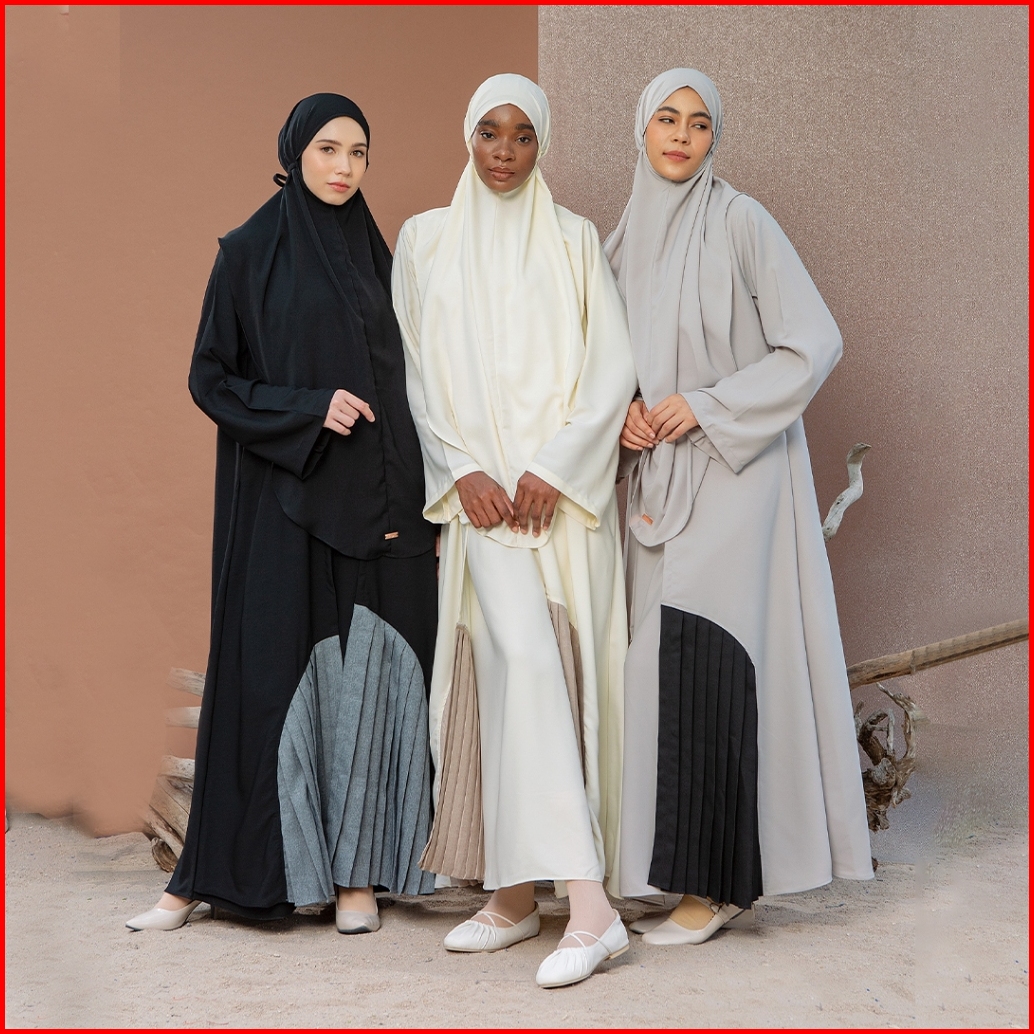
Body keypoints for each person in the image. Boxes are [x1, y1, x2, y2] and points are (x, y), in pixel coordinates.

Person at [126, 94, 438, 935]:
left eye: (359, 152)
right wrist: (307, 408)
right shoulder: (248, 252)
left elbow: (407, 381)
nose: (344, 166)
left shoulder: (376, 255)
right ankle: (207, 878)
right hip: (284, 502)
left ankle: (357, 877)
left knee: (363, 685)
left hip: (374, 508)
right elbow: (211, 378)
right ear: (295, 150)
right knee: (269, 683)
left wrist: (417, 503)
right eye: (329, 148)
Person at [605, 69, 873, 947]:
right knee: (657, 669)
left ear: (714, 138)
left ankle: (715, 884)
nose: (681, 136)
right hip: (659, 481)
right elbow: (608, 363)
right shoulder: (621, 241)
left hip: (738, 477)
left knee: (713, 658)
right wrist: (626, 415)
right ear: (642, 130)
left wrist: (709, 405)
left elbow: (813, 342)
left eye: (698, 123)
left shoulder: (742, 221)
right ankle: (669, 867)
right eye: (666, 119)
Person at [391, 74, 638, 988]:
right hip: (481, 507)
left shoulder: (574, 240)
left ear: (542, 145)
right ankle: (527, 895)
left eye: (523, 135)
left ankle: (572, 904)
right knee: (507, 673)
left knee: (541, 673)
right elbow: (414, 372)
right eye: (490, 132)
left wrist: (557, 468)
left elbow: (611, 367)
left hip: (556, 507)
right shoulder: (424, 240)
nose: (504, 150)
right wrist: (461, 470)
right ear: (468, 135)